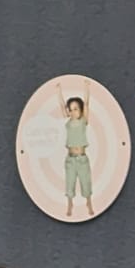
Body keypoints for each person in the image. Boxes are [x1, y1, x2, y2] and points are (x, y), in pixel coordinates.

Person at [57, 82, 93, 219]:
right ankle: (70, 204)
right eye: (70, 109)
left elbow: (87, 103)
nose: (72, 112)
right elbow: (61, 106)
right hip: (70, 159)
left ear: (81, 110)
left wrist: (86, 88)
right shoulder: (68, 122)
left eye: (76, 109)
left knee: (86, 182)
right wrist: (59, 91)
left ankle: (89, 203)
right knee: (70, 183)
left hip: (82, 159)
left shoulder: (84, 120)